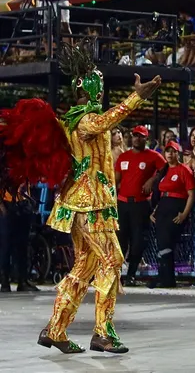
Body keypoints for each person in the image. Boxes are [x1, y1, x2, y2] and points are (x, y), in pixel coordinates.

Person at [0, 40, 160, 353]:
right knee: (113, 262)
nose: (101, 95)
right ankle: (103, 332)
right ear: (92, 92)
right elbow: (105, 121)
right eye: (99, 90)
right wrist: (135, 99)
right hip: (92, 207)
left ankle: (56, 330)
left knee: (83, 269)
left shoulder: (73, 120)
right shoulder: (84, 121)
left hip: (81, 207)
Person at [115, 126, 166, 287]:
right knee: (120, 241)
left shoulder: (153, 156)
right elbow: (116, 179)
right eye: (135, 136)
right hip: (122, 203)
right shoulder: (123, 157)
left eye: (140, 136)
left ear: (146, 139)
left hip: (141, 204)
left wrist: (153, 180)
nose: (137, 139)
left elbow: (165, 168)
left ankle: (130, 274)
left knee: (138, 241)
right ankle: (115, 275)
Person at [148, 141, 195, 288]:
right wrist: (154, 211)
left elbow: (191, 194)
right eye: (167, 151)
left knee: (167, 243)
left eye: (173, 151)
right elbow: (161, 193)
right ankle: (163, 276)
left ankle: (168, 279)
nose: (169, 154)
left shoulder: (184, 170)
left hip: (176, 209)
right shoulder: (163, 171)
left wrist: (184, 214)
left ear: (177, 154)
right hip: (163, 210)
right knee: (161, 243)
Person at [0, 182, 39, 292]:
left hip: (22, 204)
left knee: (22, 245)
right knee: (5, 246)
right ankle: (4, 282)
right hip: (6, 204)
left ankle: (23, 280)